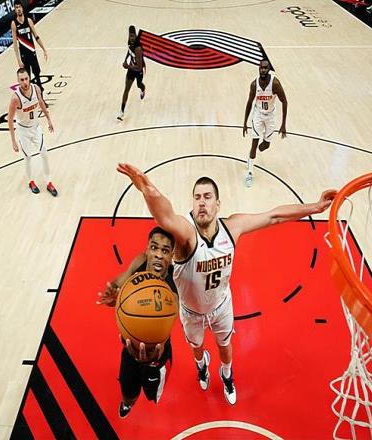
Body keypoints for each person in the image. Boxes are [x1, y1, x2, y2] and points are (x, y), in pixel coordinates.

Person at [117, 163, 336, 405]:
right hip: (191, 312)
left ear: (218, 204)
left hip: (221, 305)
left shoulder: (232, 227)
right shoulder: (186, 234)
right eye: (197, 197)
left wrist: (315, 207)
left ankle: (227, 374)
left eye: (207, 197)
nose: (202, 202)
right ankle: (202, 366)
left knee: (225, 346)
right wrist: (148, 189)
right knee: (197, 346)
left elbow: (274, 216)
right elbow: (165, 215)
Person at [97, 227, 177, 418]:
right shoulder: (140, 262)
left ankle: (150, 382)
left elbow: (164, 333)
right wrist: (114, 296)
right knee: (128, 393)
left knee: (152, 396)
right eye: (154, 248)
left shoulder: (173, 287)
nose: (158, 255)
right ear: (147, 249)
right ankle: (127, 404)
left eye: (165, 250)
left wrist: (152, 357)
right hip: (129, 346)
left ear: (171, 256)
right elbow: (116, 285)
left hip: (156, 356)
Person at [8, 68, 58, 196]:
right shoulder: (15, 98)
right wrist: (13, 141)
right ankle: (31, 181)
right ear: (18, 81)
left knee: (44, 153)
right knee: (28, 157)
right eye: (22, 80)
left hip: (35, 127)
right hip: (23, 131)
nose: (25, 82)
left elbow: (41, 102)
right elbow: (10, 119)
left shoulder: (36, 89)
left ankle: (49, 182)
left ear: (29, 78)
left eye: (26, 79)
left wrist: (48, 119)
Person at [242, 59, 287, 188]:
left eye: (265, 68)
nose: (263, 70)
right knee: (254, 143)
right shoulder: (254, 85)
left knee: (265, 145)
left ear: (269, 69)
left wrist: (283, 124)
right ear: (259, 68)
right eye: (261, 68)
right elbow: (249, 102)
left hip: (270, 116)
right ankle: (250, 172)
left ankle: (254, 154)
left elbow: (284, 101)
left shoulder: (275, 84)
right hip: (258, 115)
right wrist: (245, 122)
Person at [11, 0, 48, 93]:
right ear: (15, 10)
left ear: (22, 8)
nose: (18, 9)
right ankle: (31, 97)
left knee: (37, 75)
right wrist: (19, 60)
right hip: (24, 55)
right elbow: (15, 44)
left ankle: (41, 94)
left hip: (32, 52)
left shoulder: (29, 20)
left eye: (19, 7)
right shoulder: (14, 24)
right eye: (16, 7)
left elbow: (36, 36)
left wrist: (44, 49)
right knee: (27, 78)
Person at [117, 25, 146, 121]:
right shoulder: (130, 42)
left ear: (136, 36)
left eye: (133, 36)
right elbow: (129, 51)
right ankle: (121, 111)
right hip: (131, 69)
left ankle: (143, 89)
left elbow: (139, 67)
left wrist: (128, 66)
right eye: (130, 36)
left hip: (138, 70)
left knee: (139, 85)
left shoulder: (138, 49)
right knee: (126, 89)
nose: (131, 38)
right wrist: (125, 60)